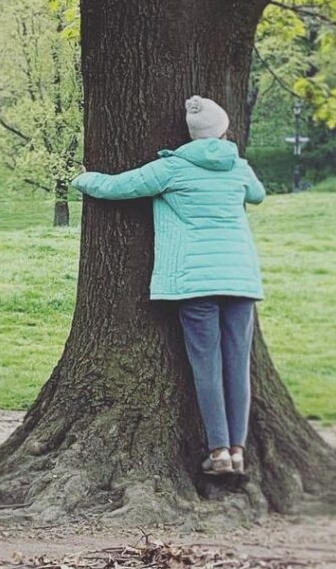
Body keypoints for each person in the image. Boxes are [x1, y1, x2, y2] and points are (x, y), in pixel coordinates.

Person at [71, 95, 266, 477]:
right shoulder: (238, 167)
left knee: (206, 365)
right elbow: (257, 195)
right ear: (225, 131)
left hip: (195, 283)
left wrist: (81, 177)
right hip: (240, 278)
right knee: (237, 365)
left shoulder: (172, 168)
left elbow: (116, 187)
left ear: (192, 135)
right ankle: (239, 451)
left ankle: (220, 452)